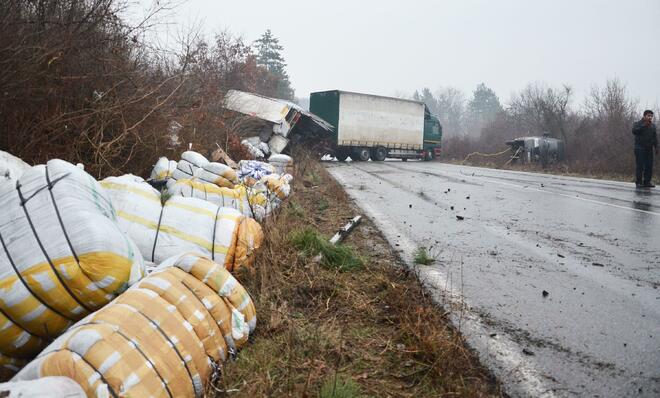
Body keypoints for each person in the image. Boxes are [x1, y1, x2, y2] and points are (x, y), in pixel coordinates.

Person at [632, 110, 658, 188]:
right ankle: (639, 182)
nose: (650, 117)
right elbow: (634, 131)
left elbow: (655, 137)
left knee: (649, 166)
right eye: (648, 116)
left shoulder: (653, 126)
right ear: (644, 116)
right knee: (640, 166)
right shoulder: (637, 123)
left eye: (651, 116)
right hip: (639, 148)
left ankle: (647, 182)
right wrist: (644, 125)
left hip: (649, 149)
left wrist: (656, 147)